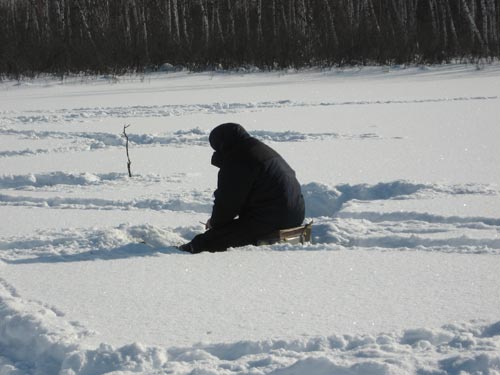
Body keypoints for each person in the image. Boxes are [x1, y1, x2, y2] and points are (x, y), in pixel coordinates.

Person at [179, 123, 305, 253]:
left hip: (271, 220)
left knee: (207, 241)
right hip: (296, 216)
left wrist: (214, 223)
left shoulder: (238, 160)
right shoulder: (260, 149)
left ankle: (182, 252)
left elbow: (228, 203)